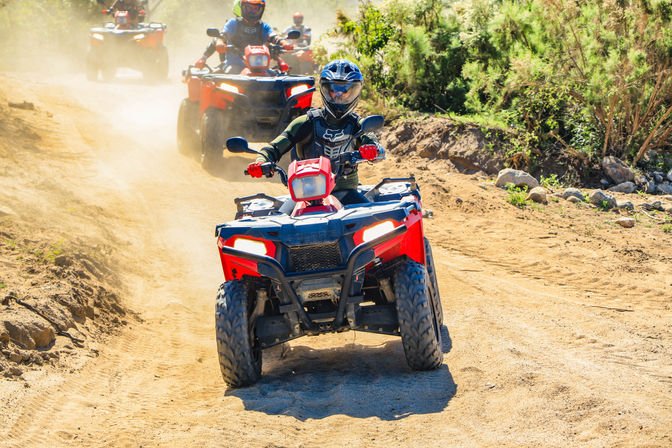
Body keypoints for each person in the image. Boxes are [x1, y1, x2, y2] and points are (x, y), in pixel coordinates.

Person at [247, 59, 385, 210]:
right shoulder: (305, 122)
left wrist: (372, 149)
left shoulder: (358, 124)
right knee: (278, 223)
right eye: (333, 90)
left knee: (376, 221)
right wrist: (261, 162)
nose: (339, 96)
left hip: (345, 193)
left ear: (354, 92)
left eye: (345, 91)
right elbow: (272, 148)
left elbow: (374, 145)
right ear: (324, 90)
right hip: (304, 196)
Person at [195, 0, 293, 74]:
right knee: (219, 83)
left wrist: (284, 43)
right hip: (234, 65)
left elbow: (273, 37)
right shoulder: (233, 23)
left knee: (280, 80)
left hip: (260, 67)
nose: (252, 11)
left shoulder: (264, 26)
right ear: (243, 8)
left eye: (256, 8)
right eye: (250, 8)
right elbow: (223, 36)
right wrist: (220, 43)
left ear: (261, 9)